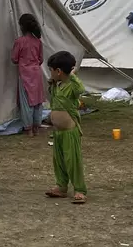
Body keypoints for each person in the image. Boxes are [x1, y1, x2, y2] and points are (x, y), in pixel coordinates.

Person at [44, 51, 87, 204]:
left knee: (72, 160)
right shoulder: (56, 85)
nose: (50, 73)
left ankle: (80, 189)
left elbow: (81, 89)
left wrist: (72, 74)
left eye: (51, 70)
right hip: (58, 132)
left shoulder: (72, 86)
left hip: (70, 131)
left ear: (59, 71)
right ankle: (61, 186)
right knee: (59, 160)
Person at [12, 13, 45, 137]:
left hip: (25, 74)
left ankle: (29, 129)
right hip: (36, 73)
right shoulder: (38, 42)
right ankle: (36, 126)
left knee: (26, 102)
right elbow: (41, 59)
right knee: (37, 101)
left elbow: (14, 58)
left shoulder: (19, 41)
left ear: (21, 26)